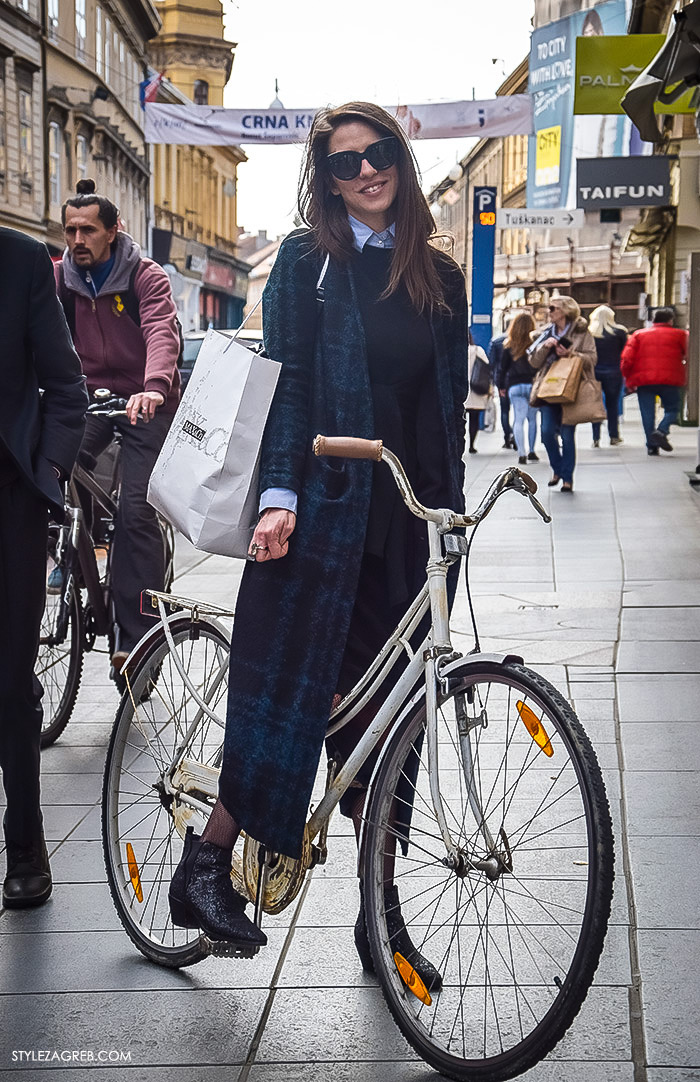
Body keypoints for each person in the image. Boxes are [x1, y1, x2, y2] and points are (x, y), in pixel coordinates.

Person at [168, 101, 469, 982]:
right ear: (325, 178)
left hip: (407, 519)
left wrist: (450, 519)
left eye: (378, 155)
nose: (366, 172)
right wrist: (278, 497)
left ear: (401, 162)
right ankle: (203, 863)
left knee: (390, 725)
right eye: (345, 163)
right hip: (319, 513)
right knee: (293, 700)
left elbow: (443, 405)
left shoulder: (438, 274)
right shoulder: (307, 263)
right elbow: (288, 385)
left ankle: (379, 919)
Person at [55, 180, 181, 670]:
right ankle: (73, 559)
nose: (78, 240)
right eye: (70, 230)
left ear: (113, 230)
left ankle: (137, 635)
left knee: (136, 511)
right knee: (50, 471)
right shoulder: (57, 280)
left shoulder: (143, 276)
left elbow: (160, 329)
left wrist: (154, 385)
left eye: (88, 229)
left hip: (144, 402)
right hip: (86, 398)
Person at [0, 227, 88, 907]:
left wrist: (48, 469)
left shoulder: (22, 260)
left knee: (7, 679)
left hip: (7, 504)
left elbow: (66, 387)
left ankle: (25, 841)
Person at [529, 296, 596, 493]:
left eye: (553, 308)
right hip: (549, 389)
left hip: (571, 389)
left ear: (565, 311)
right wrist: (546, 347)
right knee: (547, 432)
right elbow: (533, 362)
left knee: (567, 436)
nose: (549, 312)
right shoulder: (545, 333)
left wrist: (571, 354)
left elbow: (592, 359)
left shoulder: (582, 333)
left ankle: (567, 478)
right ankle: (557, 468)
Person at [621, 307, 687, 456]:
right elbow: (689, 354)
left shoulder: (638, 335)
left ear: (653, 320)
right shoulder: (681, 334)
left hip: (645, 381)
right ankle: (662, 430)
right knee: (674, 409)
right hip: (671, 379)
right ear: (671, 320)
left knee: (647, 414)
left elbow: (626, 359)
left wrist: (628, 379)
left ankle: (651, 446)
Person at [499, 311, 539, 465]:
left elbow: (503, 368)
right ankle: (532, 452)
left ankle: (521, 453)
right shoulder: (535, 344)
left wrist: (502, 386)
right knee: (532, 420)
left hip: (514, 386)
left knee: (518, 420)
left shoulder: (508, 345)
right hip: (532, 385)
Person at [588, 304, 627, 448]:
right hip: (614, 372)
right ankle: (614, 435)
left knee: (595, 405)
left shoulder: (590, 333)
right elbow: (624, 352)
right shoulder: (620, 333)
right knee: (612, 405)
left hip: (595, 373)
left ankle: (596, 438)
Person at [489, 328, 516, 450]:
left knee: (504, 410)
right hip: (517, 379)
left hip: (502, 380)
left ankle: (507, 436)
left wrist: (497, 383)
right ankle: (516, 436)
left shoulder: (496, 341)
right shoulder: (518, 341)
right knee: (518, 412)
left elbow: (492, 362)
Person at [465, 334, 491, 453]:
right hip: (475, 389)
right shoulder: (477, 350)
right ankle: (471, 444)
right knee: (474, 419)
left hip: (462, 389)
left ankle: (461, 444)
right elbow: (486, 366)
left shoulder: (457, 349)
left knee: (460, 419)